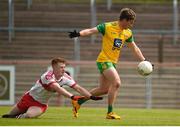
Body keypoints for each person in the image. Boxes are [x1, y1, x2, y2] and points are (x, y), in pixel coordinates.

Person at [68, 8, 153, 120]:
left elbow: (135, 48)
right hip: (104, 60)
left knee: (104, 90)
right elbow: (91, 31)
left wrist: (144, 60)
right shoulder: (107, 26)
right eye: (130, 22)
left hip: (112, 63)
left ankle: (79, 101)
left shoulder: (127, 33)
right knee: (117, 83)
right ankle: (110, 112)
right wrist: (79, 33)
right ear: (124, 20)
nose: (131, 25)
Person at [2, 57, 102, 119]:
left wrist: (91, 96)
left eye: (64, 67)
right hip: (28, 98)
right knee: (8, 116)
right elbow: (57, 88)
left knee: (28, 115)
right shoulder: (47, 76)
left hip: (40, 104)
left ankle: (21, 116)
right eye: (61, 67)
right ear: (54, 67)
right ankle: (17, 114)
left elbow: (79, 88)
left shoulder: (66, 77)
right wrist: (72, 97)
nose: (63, 69)